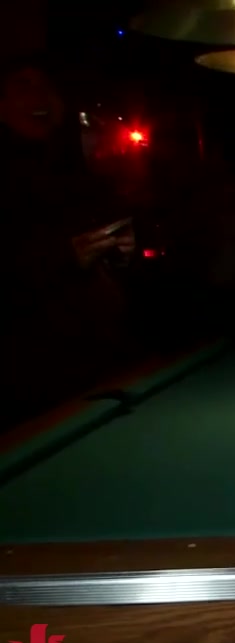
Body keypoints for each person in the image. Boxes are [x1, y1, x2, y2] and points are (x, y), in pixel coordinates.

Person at [0, 55, 140, 430]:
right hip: (27, 375)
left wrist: (121, 253)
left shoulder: (72, 168)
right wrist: (65, 257)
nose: (41, 96)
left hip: (97, 361)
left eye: (47, 85)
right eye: (23, 85)